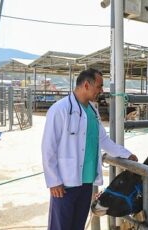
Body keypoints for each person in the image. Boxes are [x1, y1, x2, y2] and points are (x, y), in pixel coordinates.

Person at [42, 68, 138, 230]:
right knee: (61, 226)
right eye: (99, 86)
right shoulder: (60, 109)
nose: (101, 91)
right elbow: (48, 147)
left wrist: (126, 154)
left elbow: (103, 140)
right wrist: (53, 181)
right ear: (86, 85)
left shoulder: (92, 111)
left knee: (77, 225)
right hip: (64, 183)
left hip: (86, 182)